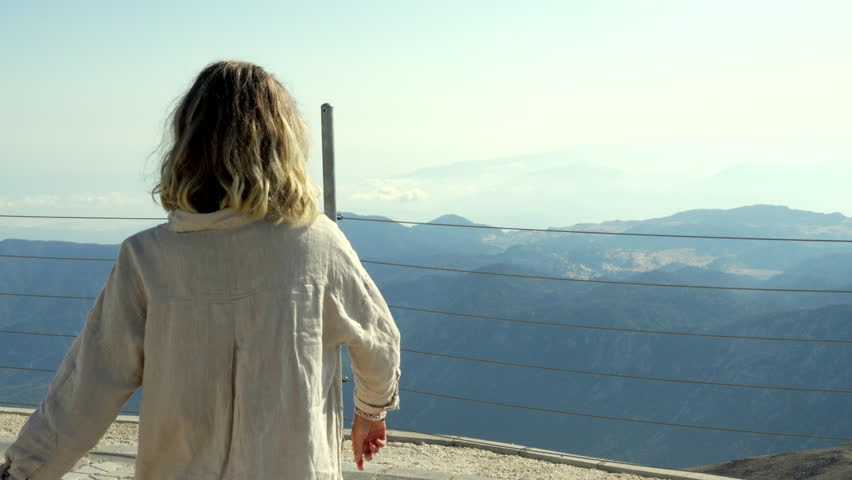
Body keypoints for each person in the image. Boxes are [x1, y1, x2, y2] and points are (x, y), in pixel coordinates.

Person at [0, 60, 402, 480]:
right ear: (283, 142)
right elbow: (379, 341)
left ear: (188, 142)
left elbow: (89, 386)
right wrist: (370, 411)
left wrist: (24, 471)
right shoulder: (318, 243)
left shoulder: (148, 256)